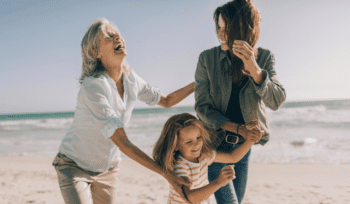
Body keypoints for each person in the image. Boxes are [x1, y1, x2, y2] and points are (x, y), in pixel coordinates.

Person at [52, 18, 194, 204]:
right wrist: (166, 174)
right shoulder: (93, 87)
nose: (118, 36)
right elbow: (122, 141)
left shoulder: (131, 80)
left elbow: (167, 101)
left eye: (118, 34)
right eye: (109, 36)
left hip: (107, 170)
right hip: (73, 165)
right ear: (95, 51)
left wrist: (198, 83)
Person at [194, 0, 286, 203]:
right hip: (214, 146)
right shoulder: (206, 59)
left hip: (244, 147)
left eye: (226, 29)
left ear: (243, 28)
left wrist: (254, 70)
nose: (220, 35)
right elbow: (202, 108)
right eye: (218, 28)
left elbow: (276, 100)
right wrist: (238, 128)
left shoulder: (265, 58)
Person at [152, 113, 261, 204]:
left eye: (198, 137)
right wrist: (218, 182)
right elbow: (191, 197)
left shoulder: (204, 155)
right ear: (175, 145)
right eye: (189, 142)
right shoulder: (179, 166)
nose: (196, 145)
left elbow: (233, 157)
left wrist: (251, 140)